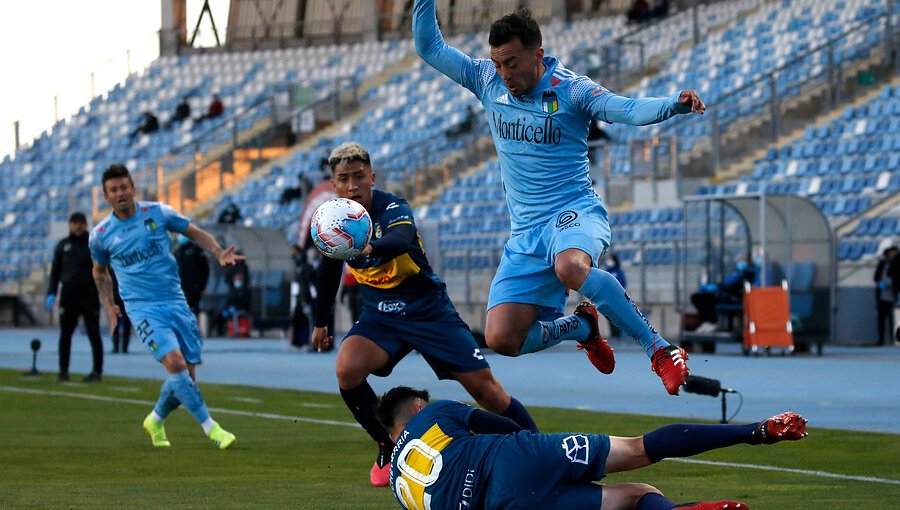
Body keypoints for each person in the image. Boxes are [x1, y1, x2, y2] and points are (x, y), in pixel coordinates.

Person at [413, 2, 706, 395]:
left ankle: (660, 350)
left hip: (574, 213)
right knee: (502, 338)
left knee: (570, 266)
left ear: (537, 54)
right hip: (525, 234)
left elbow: (627, 109)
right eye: (498, 63)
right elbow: (430, 47)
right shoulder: (486, 80)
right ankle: (581, 327)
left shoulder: (572, 90)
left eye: (512, 63)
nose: (505, 74)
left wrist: (672, 104)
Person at [311, 142, 538, 487]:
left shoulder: (392, 206)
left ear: (372, 177)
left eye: (359, 176)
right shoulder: (334, 220)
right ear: (335, 185)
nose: (353, 185)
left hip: (428, 311)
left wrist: (370, 245)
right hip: (381, 315)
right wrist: (320, 321)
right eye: (344, 178)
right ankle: (387, 445)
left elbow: (401, 239)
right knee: (347, 369)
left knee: (487, 392)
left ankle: (537, 448)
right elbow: (328, 272)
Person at [377, 385, 808, 510]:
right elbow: (503, 422)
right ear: (417, 406)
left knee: (636, 497)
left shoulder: (397, 488)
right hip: (515, 458)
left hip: (505, 506)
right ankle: (757, 430)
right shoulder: (434, 413)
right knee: (640, 449)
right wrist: (538, 444)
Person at [90, 163, 240, 449]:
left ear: (133, 188)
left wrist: (218, 252)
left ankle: (156, 418)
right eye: (113, 190)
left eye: (124, 187)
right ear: (105, 196)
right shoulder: (101, 235)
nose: (120, 193)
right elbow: (99, 272)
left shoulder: (158, 213)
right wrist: (109, 305)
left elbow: (194, 232)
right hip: (142, 307)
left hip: (175, 300)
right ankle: (213, 429)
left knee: (186, 375)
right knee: (175, 362)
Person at [46, 212, 104, 382]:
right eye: (75, 223)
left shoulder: (93, 245)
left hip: (89, 294)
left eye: (81, 223)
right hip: (68, 295)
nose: (78, 226)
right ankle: (63, 371)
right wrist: (51, 292)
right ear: (70, 225)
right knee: (65, 334)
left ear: (86, 225)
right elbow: (55, 273)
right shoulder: (62, 246)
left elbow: (105, 270)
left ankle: (97, 372)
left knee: (94, 333)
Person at [690, 257, 757, 334]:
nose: (740, 263)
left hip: (732, 298)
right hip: (724, 294)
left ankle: (712, 322)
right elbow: (726, 283)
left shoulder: (747, 273)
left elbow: (732, 287)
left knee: (703, 298)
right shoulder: (737, 272)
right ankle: (707, 321)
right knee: (696, 297)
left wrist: (717, 288)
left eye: (742, 261)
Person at [174, 235, 211, 319]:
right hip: (180, 288)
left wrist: (202, 286)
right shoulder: (177, 251)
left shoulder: (196, 250)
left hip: (194, 288)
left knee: (193, 312)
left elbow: (205, 269)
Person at [214, 271, 252, 337]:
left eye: (238, 279)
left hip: (240, 309)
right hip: (231, 309)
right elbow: (228, 301)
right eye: (236, 279)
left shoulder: (245, 290)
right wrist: (227, 308)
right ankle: (219, 331)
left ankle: (234, 332)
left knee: (232, 314)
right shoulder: (232, 290)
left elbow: (245, 303)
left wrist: (235, 308)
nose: (237, 281)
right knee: (220, 315)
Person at [874, 246, 898, 346]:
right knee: (881, 317)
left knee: (894, 319)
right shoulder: (882, 264)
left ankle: (894, 339)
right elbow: (876, 277)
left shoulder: (897, 264)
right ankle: (881, 339)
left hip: (894, 293)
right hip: (882, 294)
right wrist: (881, 284)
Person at [603, 253, 626, 338]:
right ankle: (613, 334)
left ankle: (618, 334)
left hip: (617, 297)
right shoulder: (607, 271)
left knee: (618, 316)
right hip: (608, 298)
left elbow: (623, 283)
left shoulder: (619, 272)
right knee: (610, 316)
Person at [109, 268, 132, 354]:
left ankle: (124, 347)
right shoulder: (111, 268)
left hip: (127, 298)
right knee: (115, 322)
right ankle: (116, 346)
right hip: (116, 297)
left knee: (126, 322)